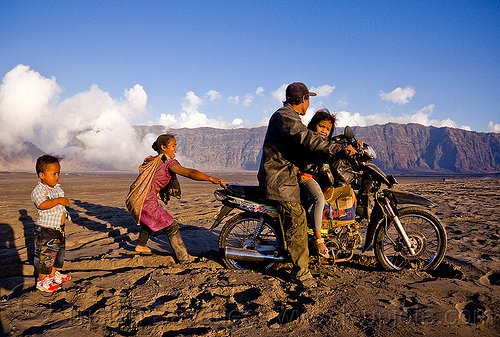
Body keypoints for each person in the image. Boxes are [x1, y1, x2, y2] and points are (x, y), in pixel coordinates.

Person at [257, 82, 357, 287]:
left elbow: (313, 140)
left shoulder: (291, 117)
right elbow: (307, 138)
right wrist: (338, 149)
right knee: (297, 221)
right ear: (303, 99)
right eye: (308, 99)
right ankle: (301, 273)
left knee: (302, 217)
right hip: (281, 180)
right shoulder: (284, 116)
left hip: (286, 177)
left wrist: (345, 146)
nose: (309, 104)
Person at [126, 134, 226, 263]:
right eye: (173, 146)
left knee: (150, 219)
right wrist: (210, 178)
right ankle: (184, 259)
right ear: (163, 147)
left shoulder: (152, 160)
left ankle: (141, 246)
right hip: (145, 200)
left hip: (136, 197)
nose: (176, 149)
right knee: (172, 227)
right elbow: (190, 173)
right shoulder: (168, 163)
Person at [299, 109, 337, 258]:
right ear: (314, 124)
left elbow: (335, 143)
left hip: (315, 178)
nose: (324, 131)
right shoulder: (310, 139)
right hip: (305, 176)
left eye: (328, 129)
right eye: (321, 126)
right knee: (319, 199)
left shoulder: (323, 141)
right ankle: (318, 239)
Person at [31, 155, 72, 292]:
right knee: (45, 255)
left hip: (59, 229)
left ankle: (53, 275)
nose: (57, 177)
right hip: (46, 230)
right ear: (42, 175)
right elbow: (42, 205)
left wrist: (63, 203)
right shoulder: (38, 191)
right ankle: (42, 280)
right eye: (53, 174)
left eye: (58, 173)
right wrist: (59, 200)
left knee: (57, 254)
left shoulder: (58, 189)